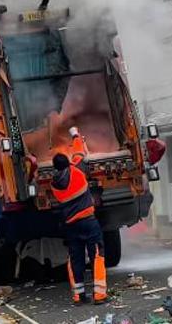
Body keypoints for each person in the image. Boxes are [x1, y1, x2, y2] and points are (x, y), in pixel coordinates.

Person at [51, 126, 107, 305]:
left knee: (75, 259)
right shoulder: (77, 172)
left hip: (71, 226)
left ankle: (79, 296)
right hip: (88, 222)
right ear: (68, 163)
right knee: (97, 255)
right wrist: (75, 134)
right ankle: (99, 295)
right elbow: (79, 152)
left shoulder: (54, 185)